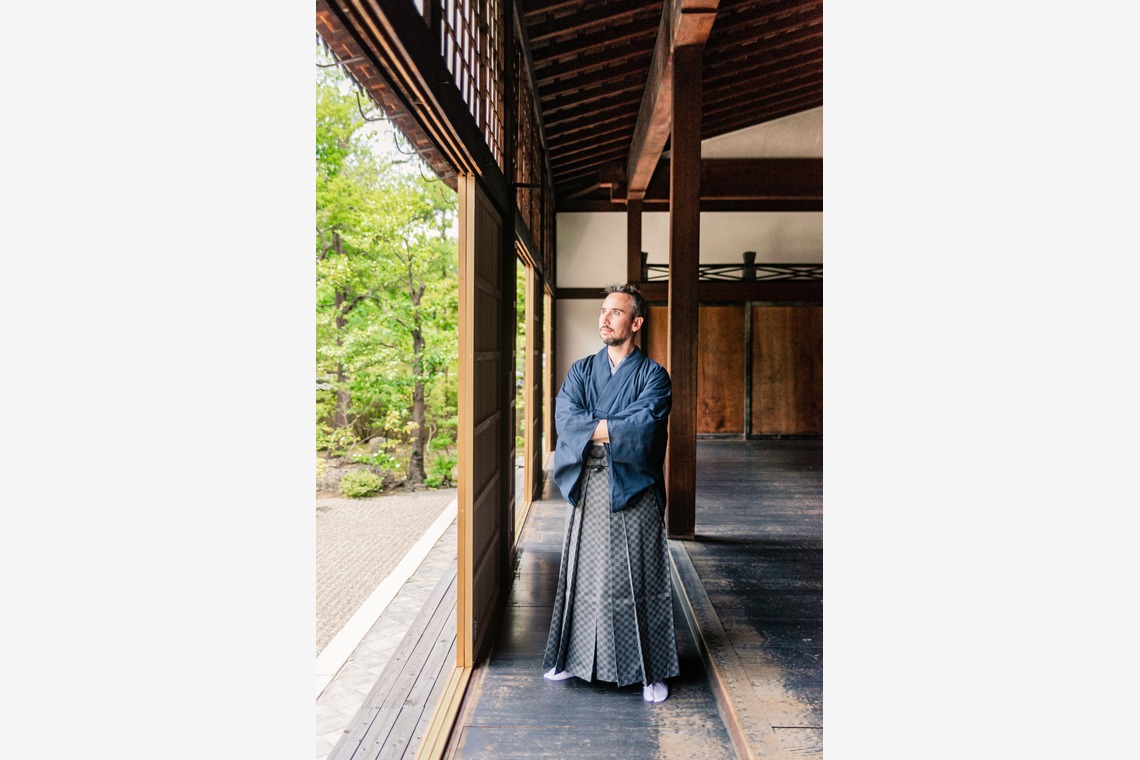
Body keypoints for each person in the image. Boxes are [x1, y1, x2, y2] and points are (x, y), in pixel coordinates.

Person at [541, 282, 679, 703]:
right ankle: (572, 658)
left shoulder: (654, 375)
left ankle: (650, 671)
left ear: (635, 323)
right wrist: (608, 429)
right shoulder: (583, 370)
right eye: (603, 311)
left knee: (638, 578)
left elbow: (646, 427)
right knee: (582, 576)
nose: (604, 318)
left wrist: (596, 427)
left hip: (633, 488)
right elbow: (567, 418)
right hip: (589, 484)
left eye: (615, 312)